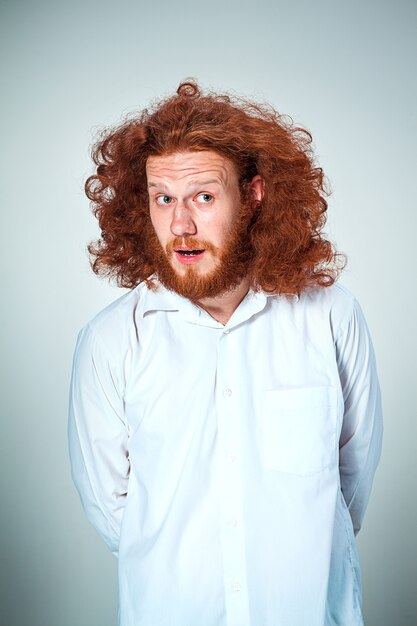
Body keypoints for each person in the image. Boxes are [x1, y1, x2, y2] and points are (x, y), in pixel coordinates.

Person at [68, 80, 383, 626]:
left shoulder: (332, 316)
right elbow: (113, 509)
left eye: (204, 197)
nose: (180, 224)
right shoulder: (111, 340)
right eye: (163, 198)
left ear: (254, 194)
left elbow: (350, 479)